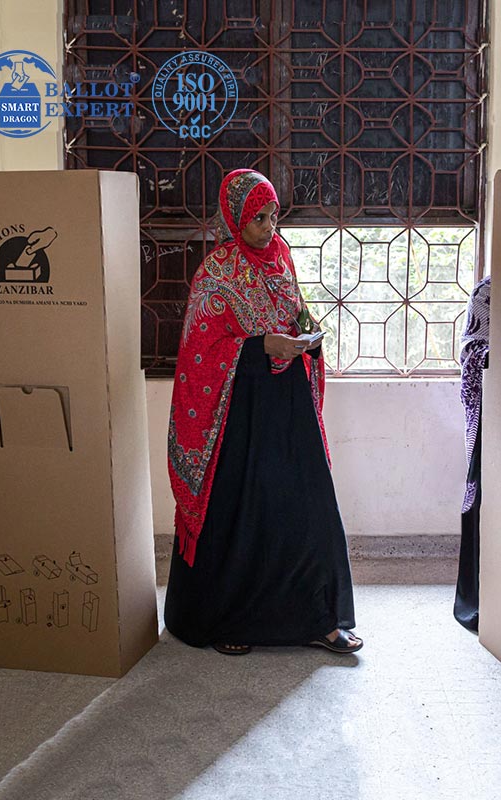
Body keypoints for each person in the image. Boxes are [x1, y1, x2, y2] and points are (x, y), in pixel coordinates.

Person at [164, 168, 362, 656]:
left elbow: (296, 311)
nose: (268, 227)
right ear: (235, 219)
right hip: (238, 418)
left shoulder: (281, 258)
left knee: (309, 509)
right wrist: (259, 346)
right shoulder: (216, 273)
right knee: (241, 519)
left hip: (288, 408)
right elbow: (200, 352)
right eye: (257, 218)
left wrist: (307, 337)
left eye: (273, 215)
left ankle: (321, 620)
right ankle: (227, 620)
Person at [454, 275, 491, 632]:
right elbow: (471, 347)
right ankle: (480, 604)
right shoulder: (489, 291)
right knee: (486, 507)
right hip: (492, 422)